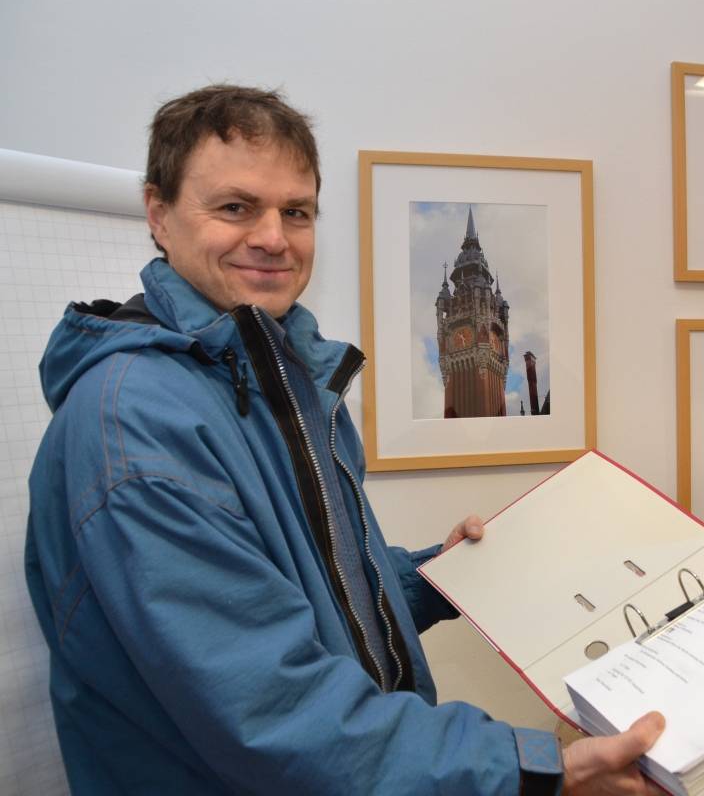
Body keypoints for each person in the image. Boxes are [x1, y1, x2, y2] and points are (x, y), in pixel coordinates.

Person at [25, 84, 665, 795]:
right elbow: (272, 708)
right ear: (159, 214)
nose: (273, 237)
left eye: (295, 212)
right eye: (236, 207)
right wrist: (532, 770)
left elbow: (306, 582)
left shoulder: (285, 377)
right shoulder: (135, 426)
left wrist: (433, 577)